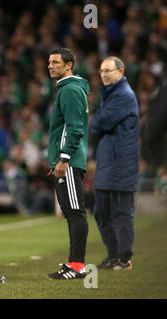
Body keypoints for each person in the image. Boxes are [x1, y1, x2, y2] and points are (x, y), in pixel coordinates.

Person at [91, 56, 139, 271]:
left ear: (121, 72)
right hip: (108, 162)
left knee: (120, 212)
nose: (104, 74)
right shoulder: (111, 95)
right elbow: (98, 124)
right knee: (101, 212)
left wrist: (96, 120)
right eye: (101, 71)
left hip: (121, 164)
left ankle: (124, 258)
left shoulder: (123, 95)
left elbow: (100, 122)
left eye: (108, 70)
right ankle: (113, 255)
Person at [46, 48, 90, 280]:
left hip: (69, 161)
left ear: (69, 65)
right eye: (49, 62)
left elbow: (73, 128)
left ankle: (77, 266)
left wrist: (63, 158)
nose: (50, 66)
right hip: (65, 160)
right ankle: (74, 263)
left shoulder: (71, 89)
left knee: (75, 212)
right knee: (71, 212)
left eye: (55, 62)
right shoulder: (68, 88)